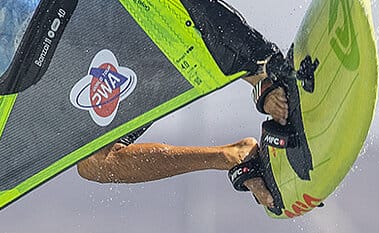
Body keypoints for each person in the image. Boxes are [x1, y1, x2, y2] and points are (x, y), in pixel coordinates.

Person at [76, 64, 293, 213]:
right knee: (94, 163)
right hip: (118, 70)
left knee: (176, 20)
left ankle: (266, 81)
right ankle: (232, 156)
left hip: (129, 28)